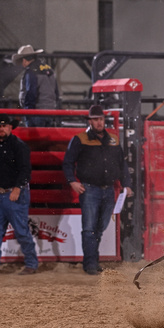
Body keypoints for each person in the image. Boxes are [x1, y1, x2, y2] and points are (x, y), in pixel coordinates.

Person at [62, 105, 133, 275]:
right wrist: (72, 181)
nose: (99, 122)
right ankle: (91, 263)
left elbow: (121, 165)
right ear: (90, 121)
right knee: (90, 227)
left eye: (100, 119)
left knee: (99, 226)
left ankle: (92, 260)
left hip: (107, 189)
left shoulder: (113, 140)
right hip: (90, 188)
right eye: (95, 119)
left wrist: (126, 183)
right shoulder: (80, 139)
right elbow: (68, 162)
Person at [0, 114, 39, 275]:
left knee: (21, 230)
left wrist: (17, 188)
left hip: (14, 193)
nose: (1, 129)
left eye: (4, 126)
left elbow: (25, 170)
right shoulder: (16, 145)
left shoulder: (19, 146)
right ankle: (31, 263)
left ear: (10, 127)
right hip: (6, 193)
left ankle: (31, 264)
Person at [11, 45, 59, 127]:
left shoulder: (31, 71)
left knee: (34, 138)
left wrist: (28, 112)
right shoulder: (49, 69)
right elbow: (56, 92)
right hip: (50, 112)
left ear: (24, 60)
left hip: (36, 113)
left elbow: (31, 93)